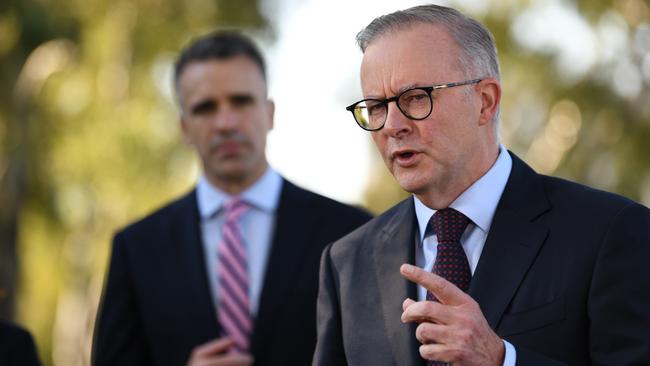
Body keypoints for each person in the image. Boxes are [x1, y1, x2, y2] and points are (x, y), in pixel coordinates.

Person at [313, 4, 650, 366]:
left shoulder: (611, 232)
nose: (392, 125)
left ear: (485, 102)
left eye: (415, 98)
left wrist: (502, 359)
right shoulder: (346, 263)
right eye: (377, 106)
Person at [92, 31, 371, 366]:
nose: (225, 122)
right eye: (205, 108)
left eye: (241, 101)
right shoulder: (136, 249)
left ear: (269, 113)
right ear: (184, 128)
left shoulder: (350, 233)